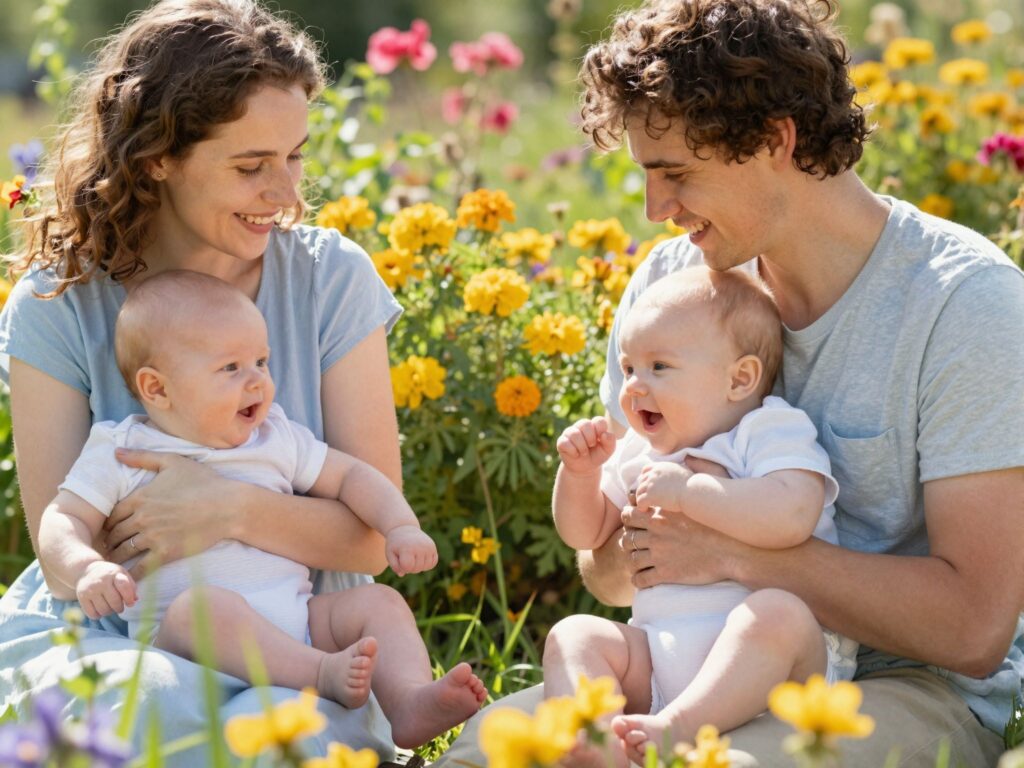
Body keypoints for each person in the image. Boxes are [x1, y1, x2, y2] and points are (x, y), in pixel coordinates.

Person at [436, 0, 1024, 765]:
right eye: (647, 175)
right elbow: (608, 572)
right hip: (677, 668)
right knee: (489, 754)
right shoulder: (672, 288)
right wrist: (633, 519)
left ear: (777, 139)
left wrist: (730, 549)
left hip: (897, 683)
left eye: (676, 173)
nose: (655, 208)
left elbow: (973, 630)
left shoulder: (963, 303)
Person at [0, 0, 411, 762]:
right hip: (118, 634)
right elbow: (68, 540)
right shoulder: (59, 304)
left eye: (295, 157)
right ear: (158, 156)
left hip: (300, 636)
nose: (285, 193)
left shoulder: (329, 280)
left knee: (280, 734)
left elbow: (368, 542)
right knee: (151, 704)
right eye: (251, 167)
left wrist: (229, 508)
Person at [36, 271, 487, 749]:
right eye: (231, 367)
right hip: (190, 645)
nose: (257, 380)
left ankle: (409, 700)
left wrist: (400, 526)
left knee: (380, 603)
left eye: (262, 361)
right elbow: (63, 519)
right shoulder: (124, 449)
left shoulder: (274, 436)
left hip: (297, 623)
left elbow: (351, 476)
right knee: (203, 608)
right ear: (157, 389)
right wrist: (87, 568)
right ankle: (321, 674)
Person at [545, 266, 856, 765]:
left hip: (773, 678)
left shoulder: (766, 430)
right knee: (574, 635)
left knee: (778, 615)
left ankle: (677, 728)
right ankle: (595, 743)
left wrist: (692, 492)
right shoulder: (640, 452)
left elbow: (793, 513)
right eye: (628, 368)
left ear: (739, 379)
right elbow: (585, 533)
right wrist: (581, 475)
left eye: (659, 367)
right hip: (657, 659)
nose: (634, 386)